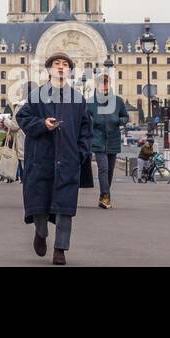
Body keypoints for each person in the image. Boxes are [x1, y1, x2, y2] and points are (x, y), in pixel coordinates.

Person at [17, 52, 92, 266]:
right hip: (41, 159)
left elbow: (86, 131)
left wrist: (80, 153)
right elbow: (22, 117)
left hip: (68, 160)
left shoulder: (78, 100)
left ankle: (60, 249)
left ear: (69, 71)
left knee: (64, 207)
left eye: (65, 64)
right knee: (39, 203)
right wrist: (42, 124)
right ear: (49, 70)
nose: (61, 67)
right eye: (56, 64)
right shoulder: (37, 96)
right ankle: (41, 232)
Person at [89, 73, 129, 208]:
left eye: (106, 87)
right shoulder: (90, 103)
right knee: (103, 169)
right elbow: (84, 120)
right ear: (97, 86)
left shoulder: (118, 101)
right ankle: (106, 196)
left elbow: (125, 116)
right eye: (102, 86)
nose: (104, 90)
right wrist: (92, 122)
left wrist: (119, 120)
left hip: (113, 140)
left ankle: (103, 196)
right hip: (98, 140)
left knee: (110, 171)